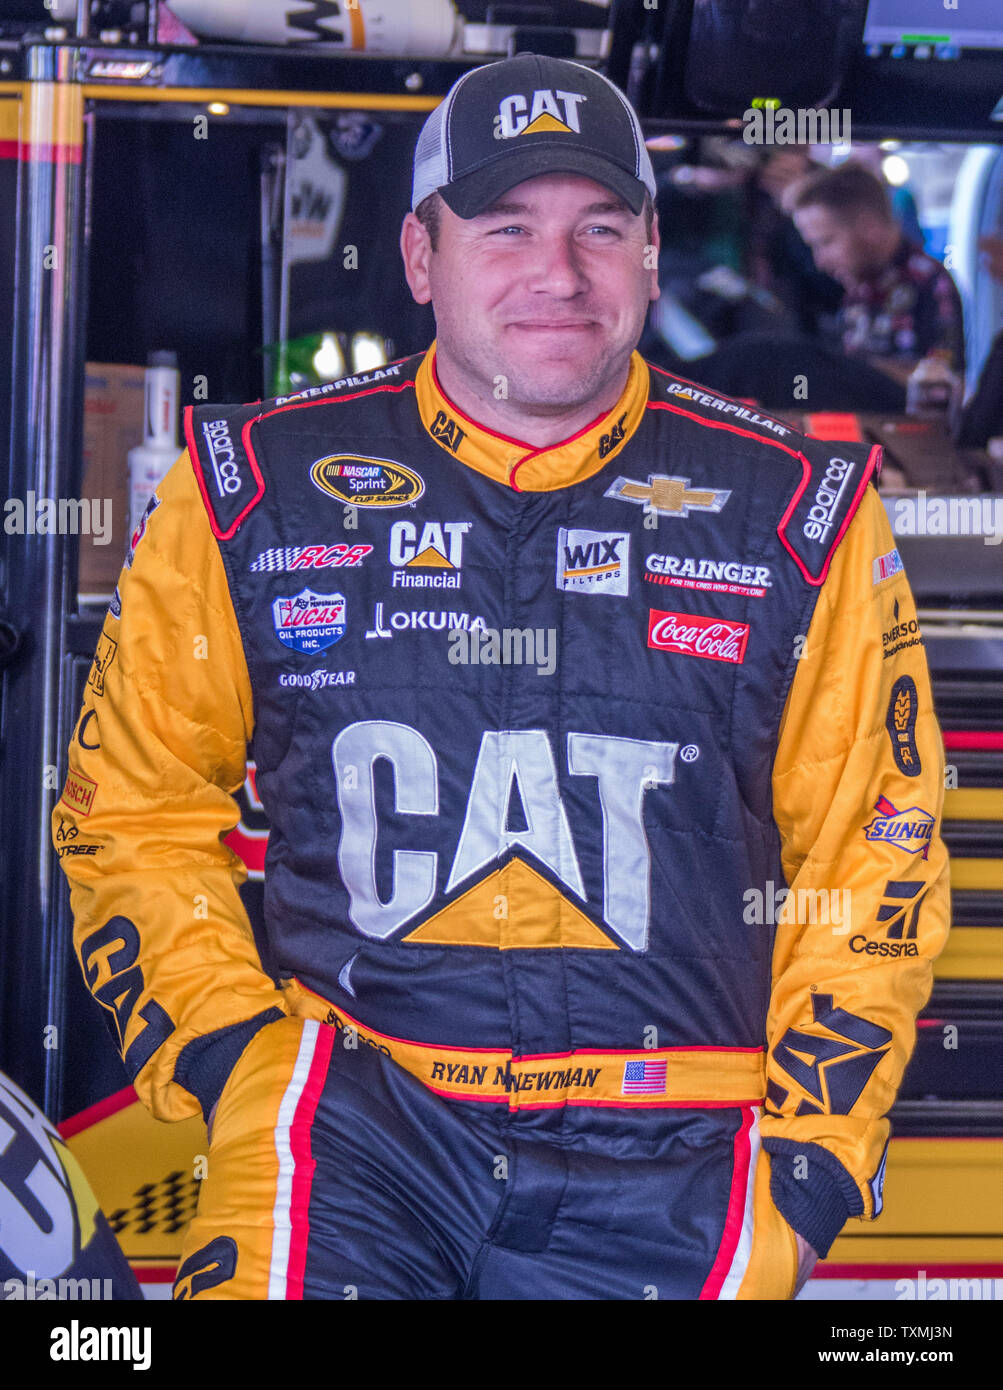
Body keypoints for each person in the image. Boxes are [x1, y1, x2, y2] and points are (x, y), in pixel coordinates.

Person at [53, 52, 950, 1301]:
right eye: (505, 226)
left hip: (682, 1151)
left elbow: (876, 848)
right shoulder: (247, 486)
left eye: (598, 228)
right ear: (422, 259)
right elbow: (132, 815)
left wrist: (805, 1164)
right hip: (353, 1132)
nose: (556, 273)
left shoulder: (796, 512)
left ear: (648, 254)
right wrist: (233, 1055)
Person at [791, 162, 966, 384]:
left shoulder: (931, 284)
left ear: (868, 227)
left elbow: (944, 384)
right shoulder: (858, 284)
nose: (819, 262)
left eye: (826, 242)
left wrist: (844, 370)